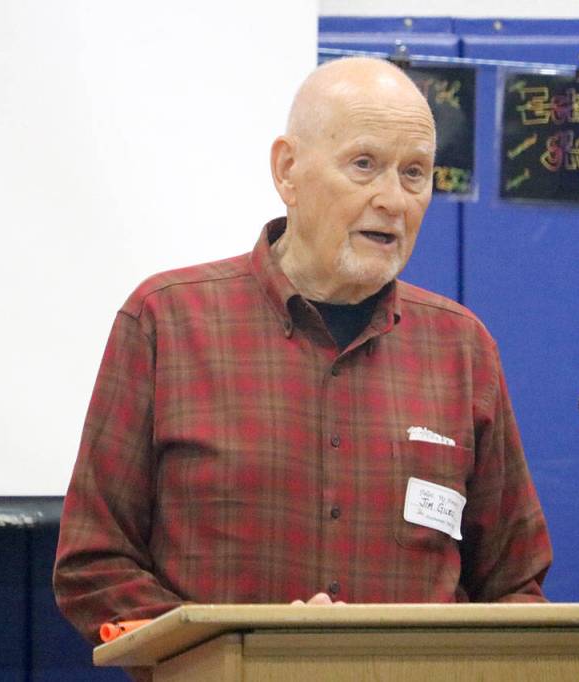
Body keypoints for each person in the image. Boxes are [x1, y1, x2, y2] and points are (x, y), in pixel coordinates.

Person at [53, 57, 552, 649]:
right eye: (364, 165)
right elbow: (95, 564)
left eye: (414, 173)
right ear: (288, 171)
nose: (392, 198)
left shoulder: (462, 348)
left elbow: (515, 584)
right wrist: (241, 651)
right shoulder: (166, 321)